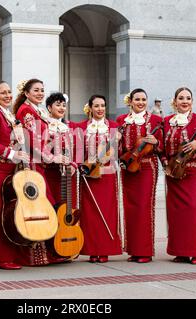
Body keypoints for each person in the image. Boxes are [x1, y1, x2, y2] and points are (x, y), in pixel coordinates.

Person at [12, 78, 66, 266]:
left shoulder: (37, 111)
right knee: (39, 207)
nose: (41, 93)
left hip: (39, 163)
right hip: (32, 164)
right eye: (36, 90)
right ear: (26, 93)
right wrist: (52, 158)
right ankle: (35, 255)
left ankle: (44, 253)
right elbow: (31, 141)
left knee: (44, 206)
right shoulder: (26, 111)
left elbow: (44, 138)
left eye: (42, 90)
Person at [161, 87, 196, 265]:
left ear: (192, 101)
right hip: (174, 173)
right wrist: (166, 163)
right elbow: (161, 148)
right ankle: (181, 252)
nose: (185, 101)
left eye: (188, 98)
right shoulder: (167, 121)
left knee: (192, 209)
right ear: (174, 101)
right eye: (181, 98)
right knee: (176, 213)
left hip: (194, 171)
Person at [0, 80, 30, 270]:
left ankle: (2, 254)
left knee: (7, 212)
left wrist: (17, 150)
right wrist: (11, 153)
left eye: (9, 92)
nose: (8, 95)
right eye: (3, 93)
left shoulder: (8, 114)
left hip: (9, 169)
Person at [116, 89, 163, 263]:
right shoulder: (121, 120)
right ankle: (133, 250)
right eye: (137, 99)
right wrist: (116, 140)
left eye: (144, 99)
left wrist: (156, 142)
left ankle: (145, 251)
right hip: (128, 166)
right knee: (130, 207)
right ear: (131, 101)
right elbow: (118, 148)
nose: (141, 102)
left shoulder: (156, 120)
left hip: (147, 167)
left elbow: (163, 146)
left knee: (144, 207)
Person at [77, 94, 122, 263]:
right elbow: (77, 150)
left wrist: (117, 142)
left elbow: (119, 153)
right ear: (90, 108)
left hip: (108, 176)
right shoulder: (81, 128)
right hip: (89, 175)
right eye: (96, 106)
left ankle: (104, 250)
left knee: (107, 211)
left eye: (103, 105)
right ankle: (91, 250)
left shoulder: (114, 127)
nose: (100, 109)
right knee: (89, 215)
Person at [43, 92, 76, 206]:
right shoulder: (44, 125)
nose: (62, 108)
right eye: (58, 105)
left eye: (64, 105)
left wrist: (72, 165)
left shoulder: (66, 127)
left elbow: (72, 150)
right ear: (49, 108)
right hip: (47, 172)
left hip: (63, 176)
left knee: (62, 206)